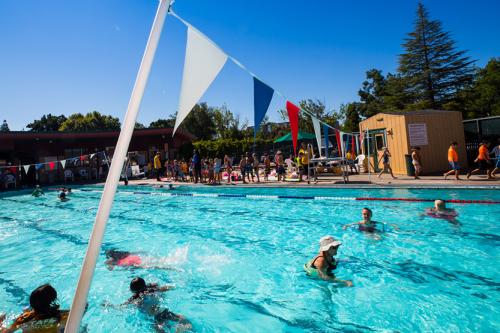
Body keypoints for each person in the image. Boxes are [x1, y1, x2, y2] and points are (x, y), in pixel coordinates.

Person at [104, 277, 191, 333]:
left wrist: (109, 305)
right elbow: (167, 287)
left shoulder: (135, 299)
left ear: (132, 290)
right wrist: (174, 286)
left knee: (159, 330)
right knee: (185, 320)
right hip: (163, 312)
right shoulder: (153, 289)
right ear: (145, 285)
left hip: (154, 319)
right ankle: (180, 329)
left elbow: (121, 307)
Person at [0, 284, 72, 333]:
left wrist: (0, 322)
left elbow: (5, 332)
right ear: (53, 301)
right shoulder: (66, 316)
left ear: (32, 303)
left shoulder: (24, 319)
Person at [104, 248, 186, 271]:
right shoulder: (122, 255)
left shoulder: (112, 262)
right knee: (157, 262)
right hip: (135, 259)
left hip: (134, 263)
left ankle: (173, 269)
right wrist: (144, 252)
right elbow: (134, 252)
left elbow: (110, 269)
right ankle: (174, 258)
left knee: (156, 266)